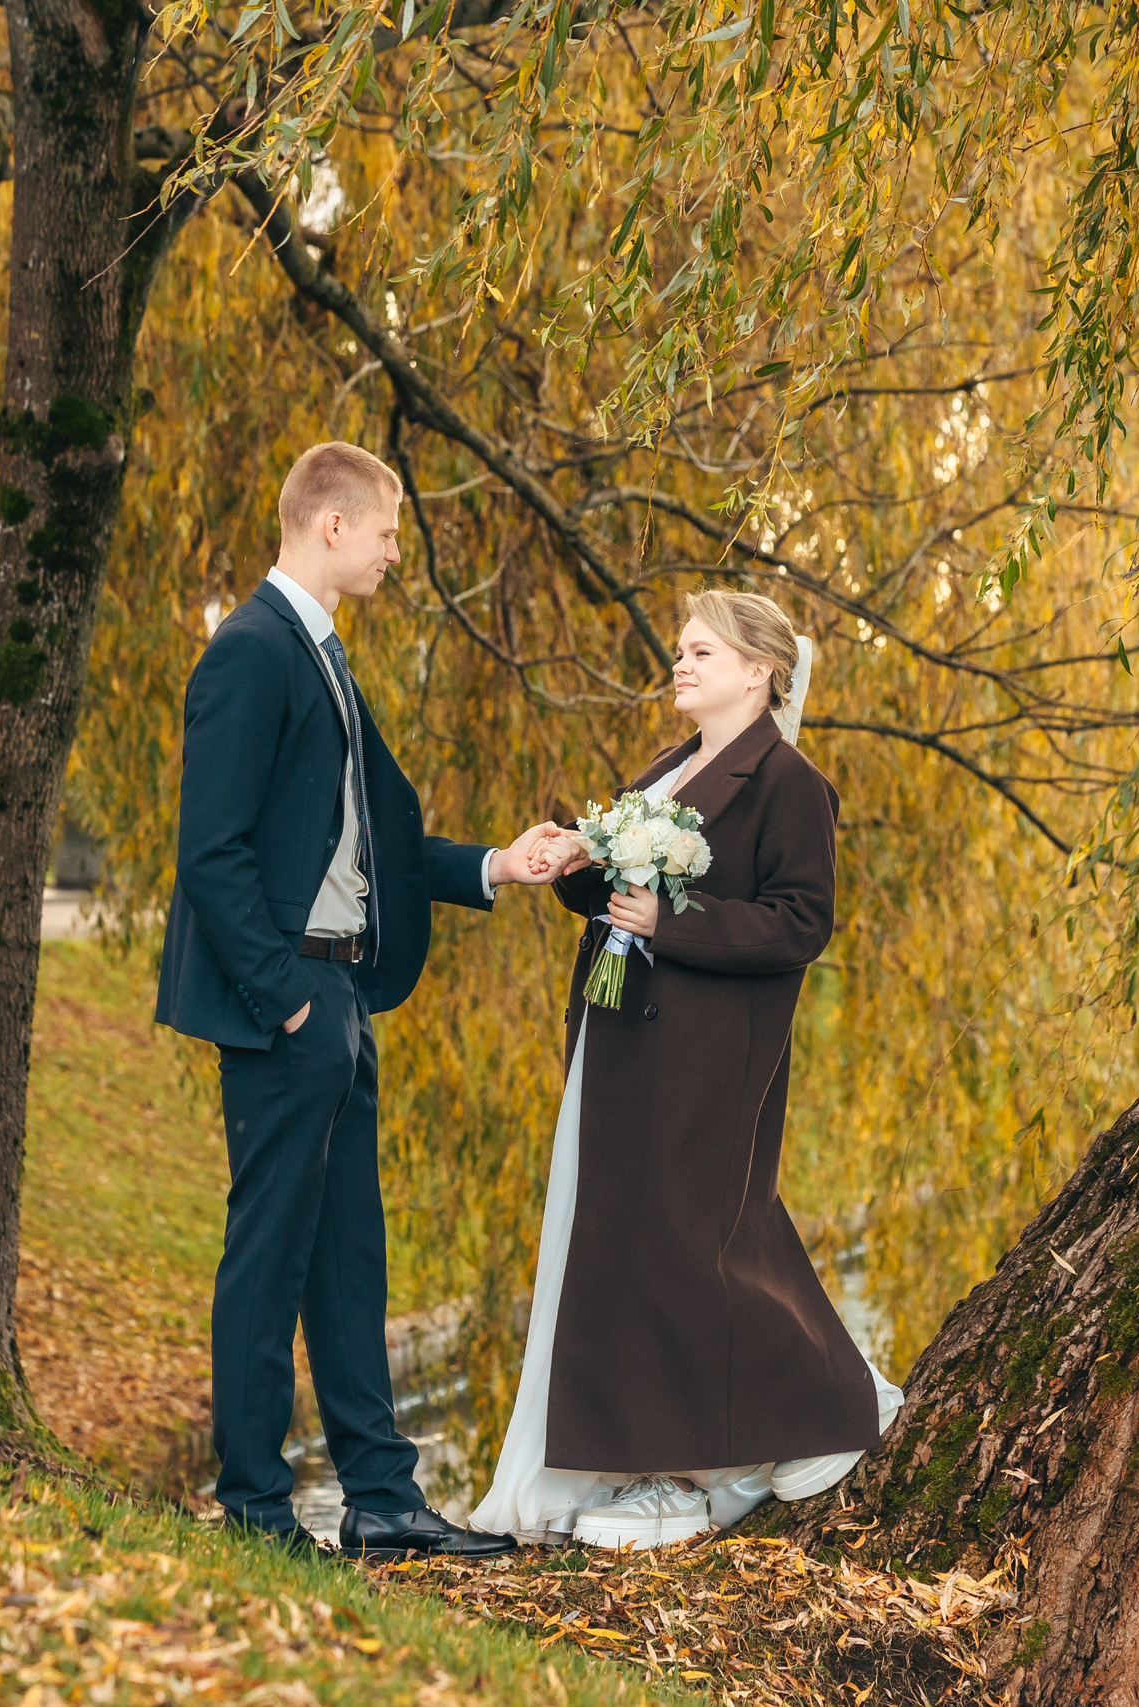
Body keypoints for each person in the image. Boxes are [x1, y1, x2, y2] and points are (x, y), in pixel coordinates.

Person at [157, 441, 569, 1560]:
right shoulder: (251, 652)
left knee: (348, 1259)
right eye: (385, 532)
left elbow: (371, 846)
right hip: (290, 1002)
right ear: (331, 525)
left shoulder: (323, 657)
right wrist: (286, 999)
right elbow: (211, 852)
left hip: (338, 997)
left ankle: (382, 1501)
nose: (395, 552)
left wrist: (498, 865)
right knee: (269, 1256)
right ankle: (253, 1508)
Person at [472, 589, 902, 1549]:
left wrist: (672, 923)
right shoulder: (672, 766)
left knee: (690, 1241)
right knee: (628, 1244)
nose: (681, 663)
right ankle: (643, 1460)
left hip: (707, 1051)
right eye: (681, 649)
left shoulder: (789, 782)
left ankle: (796, 1416)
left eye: (702, 651)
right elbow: (625, 886)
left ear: (759, 670)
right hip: (625, 1037)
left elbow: (801, 921)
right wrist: (576, 861)